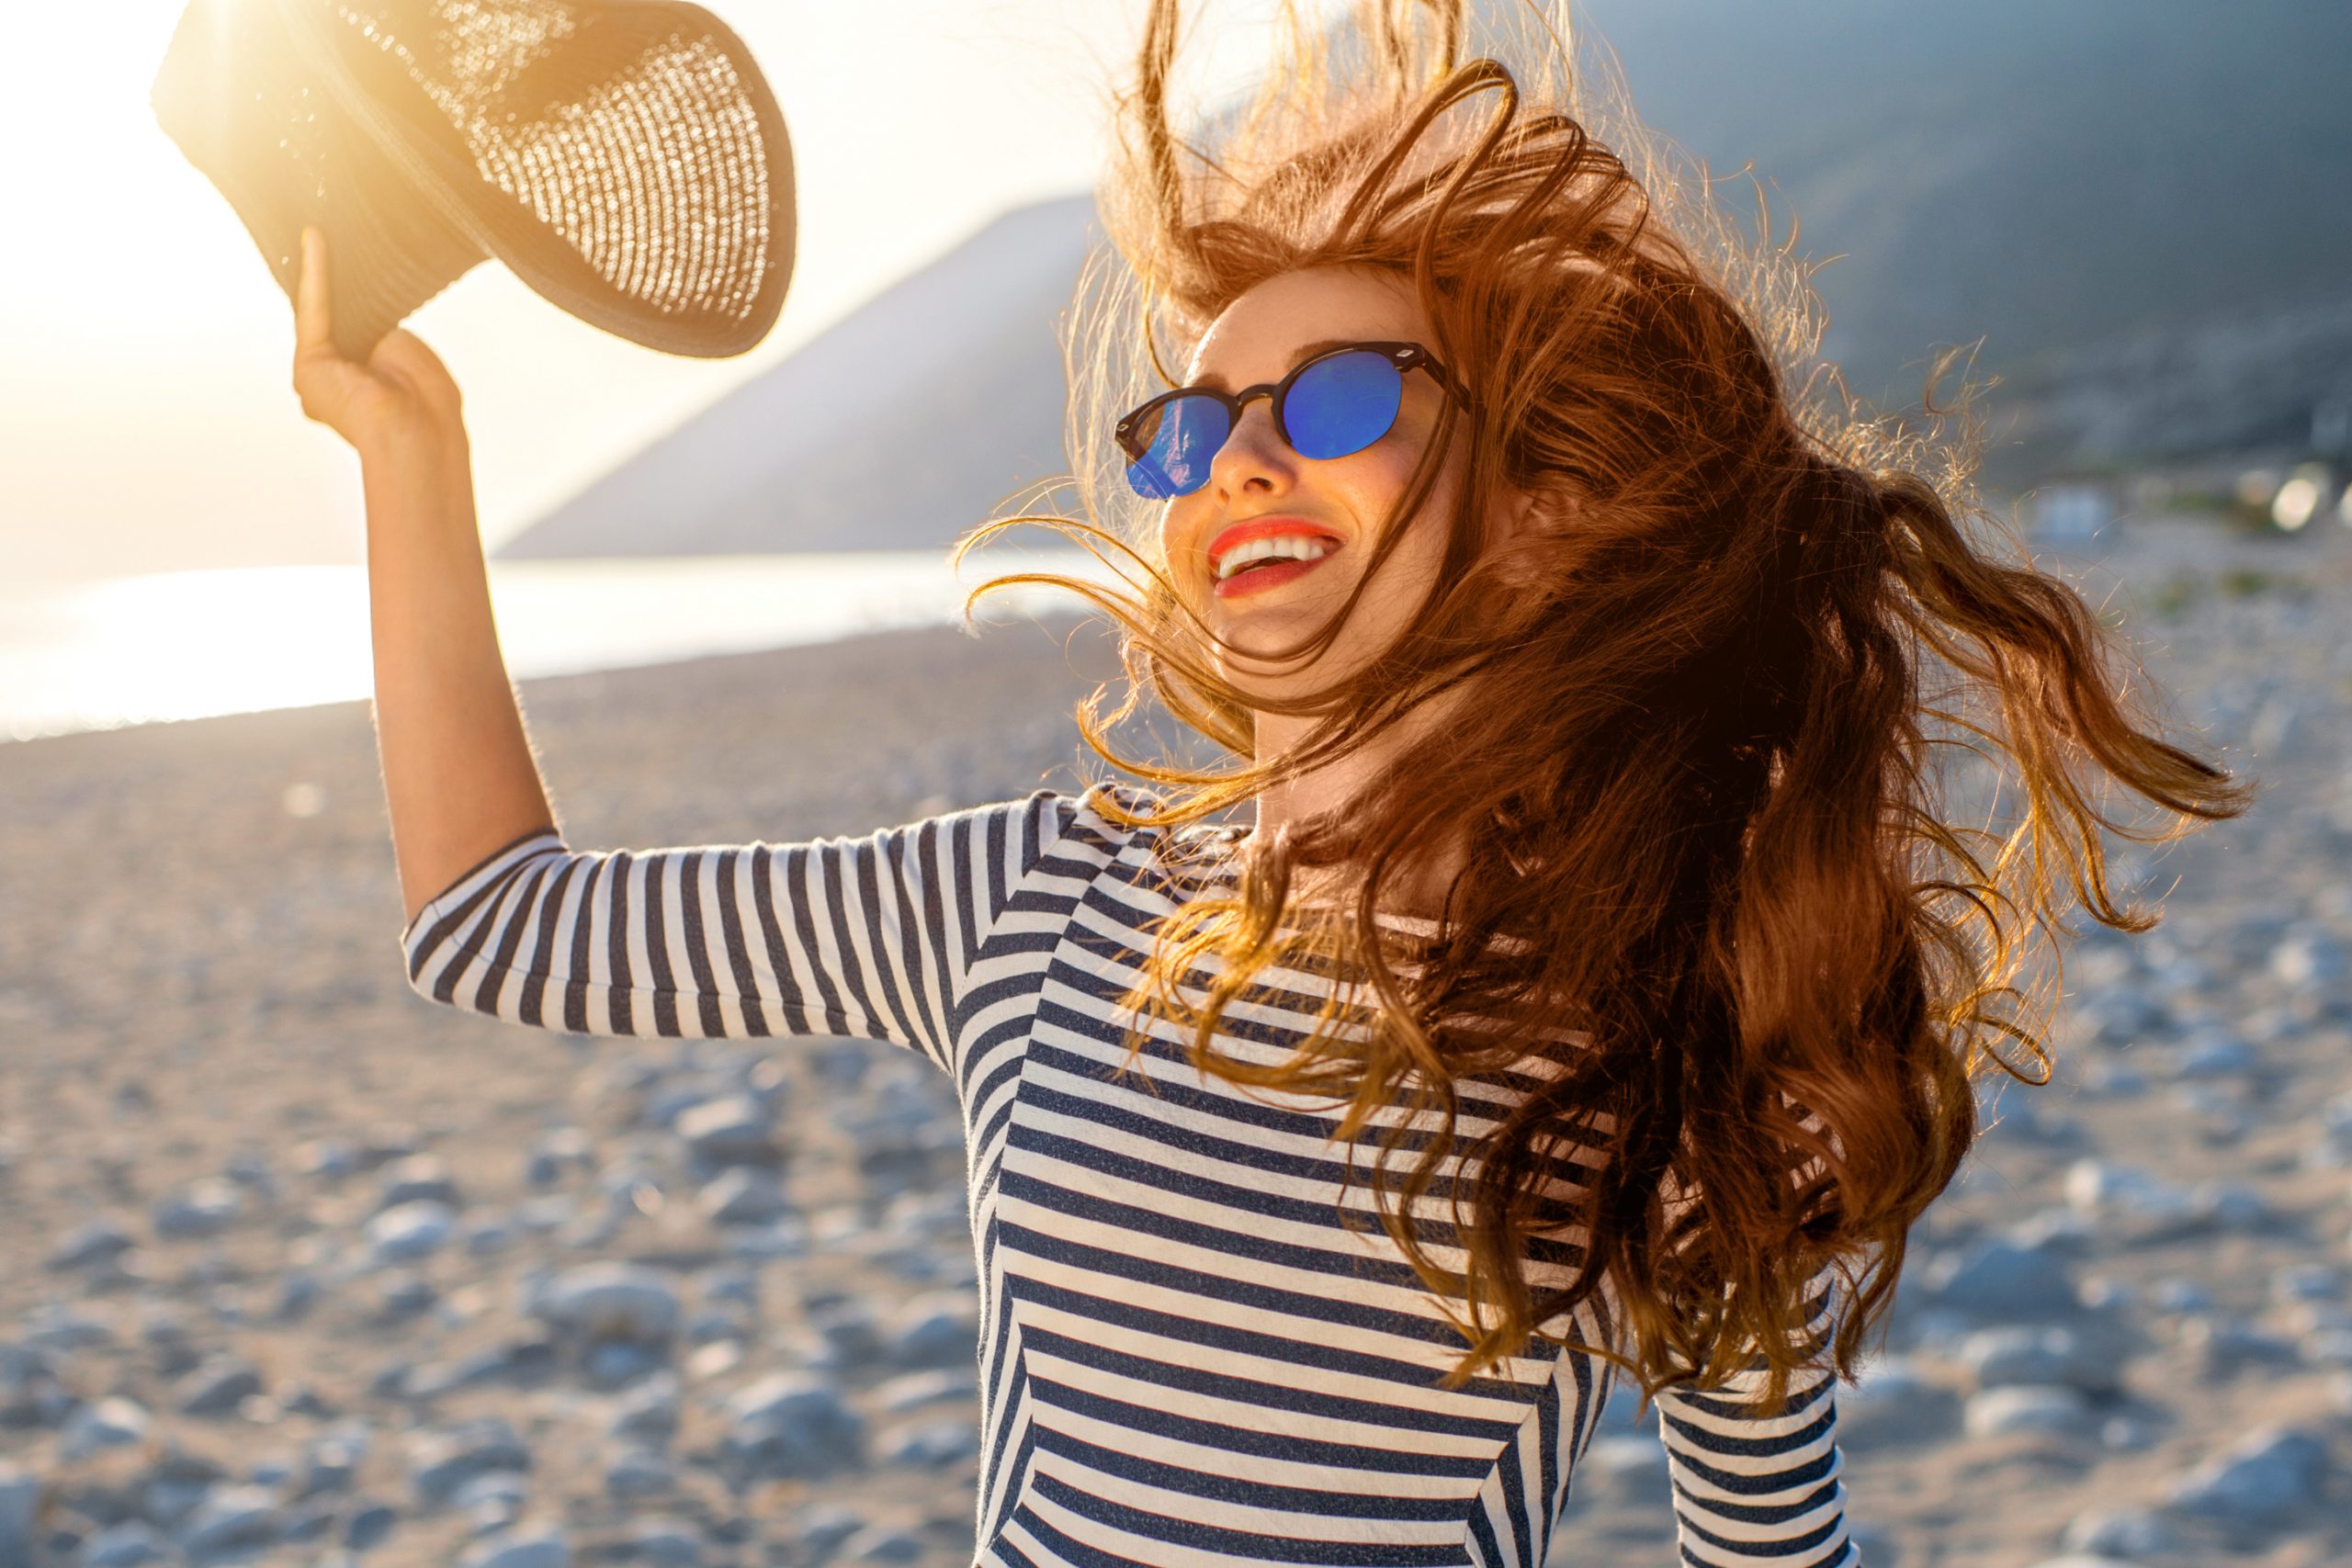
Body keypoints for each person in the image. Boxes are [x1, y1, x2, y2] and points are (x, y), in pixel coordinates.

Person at [291, 3, 2245, 1562]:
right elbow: (500, 924)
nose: (1234, 458)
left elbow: (1763, 1543)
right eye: (1192, 424)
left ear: (1542, 519)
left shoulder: (1665, 1027)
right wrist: (412, 454)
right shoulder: (1022, 902)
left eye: (1332, 403)